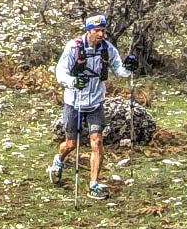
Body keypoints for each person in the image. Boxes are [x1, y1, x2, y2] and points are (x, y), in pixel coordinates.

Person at [47, 14, 132, 199]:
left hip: (95, 103)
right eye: (97, 31)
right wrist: (73, 81)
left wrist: (129, 68)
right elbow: (60, 72)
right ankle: (58, 161)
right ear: (88, 31)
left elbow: (118, 69)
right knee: (71, 144)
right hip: (74, 102)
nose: (101, 34)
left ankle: (94, 184)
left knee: (97, 141)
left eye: (103, 30)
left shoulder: (107, 49)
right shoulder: (73, 48)